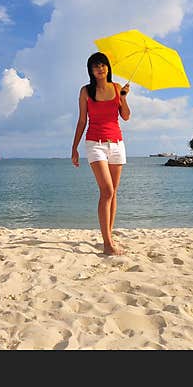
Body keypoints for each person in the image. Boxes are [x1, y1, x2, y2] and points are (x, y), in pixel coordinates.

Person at [71, 52, 131, 255]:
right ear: (91, 70)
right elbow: (82, 121)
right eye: (95, 66)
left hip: (117, 144)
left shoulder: (116, 88)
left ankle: (108, 237)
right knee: (106, 191)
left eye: (103, 65)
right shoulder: (86, 91)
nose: (100, 68)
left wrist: (123, 97)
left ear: (108, 67)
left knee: (113, 192)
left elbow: (126, 116)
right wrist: (74, 148)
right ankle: (107, 244)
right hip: (95, 144)